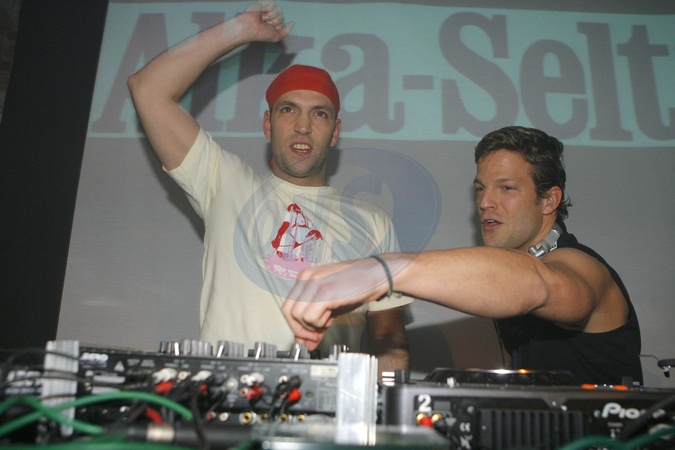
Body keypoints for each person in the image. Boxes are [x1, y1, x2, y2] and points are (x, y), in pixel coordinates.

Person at [127, 0, 412, 371]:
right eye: (288, 109)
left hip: (323, 403)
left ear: (335, 132)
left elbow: (390, 344)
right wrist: (240, 31)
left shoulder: (374, 222)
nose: (303, 127)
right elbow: (147, 88)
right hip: (224, 396)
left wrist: (375, 401)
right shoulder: (226, 183)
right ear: (268, 124)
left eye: (319, 114)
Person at [282, 126, 643, 386]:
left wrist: (382, 270)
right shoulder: (519, 268)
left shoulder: (582, 265)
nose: (485, 202)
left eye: (507, 187)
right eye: (480, 189)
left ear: (549, 200)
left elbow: (537, 283)